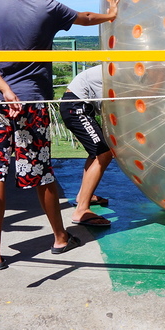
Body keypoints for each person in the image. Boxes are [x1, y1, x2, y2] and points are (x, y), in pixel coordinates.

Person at [0, 0, 120, 270]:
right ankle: (60, 237)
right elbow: (86, 17)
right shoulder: (50, 7)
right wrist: (112, 14)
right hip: (33, 104)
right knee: (41, 173)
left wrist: (6, 90)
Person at [58, 65, 113, 227]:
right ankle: (81, 210)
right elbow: (111, 109)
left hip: (80, 107)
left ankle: (83, 196)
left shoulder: (120, 69)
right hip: (76, 106)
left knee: (96, 151)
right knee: (103, 153)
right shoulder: (117, 73)